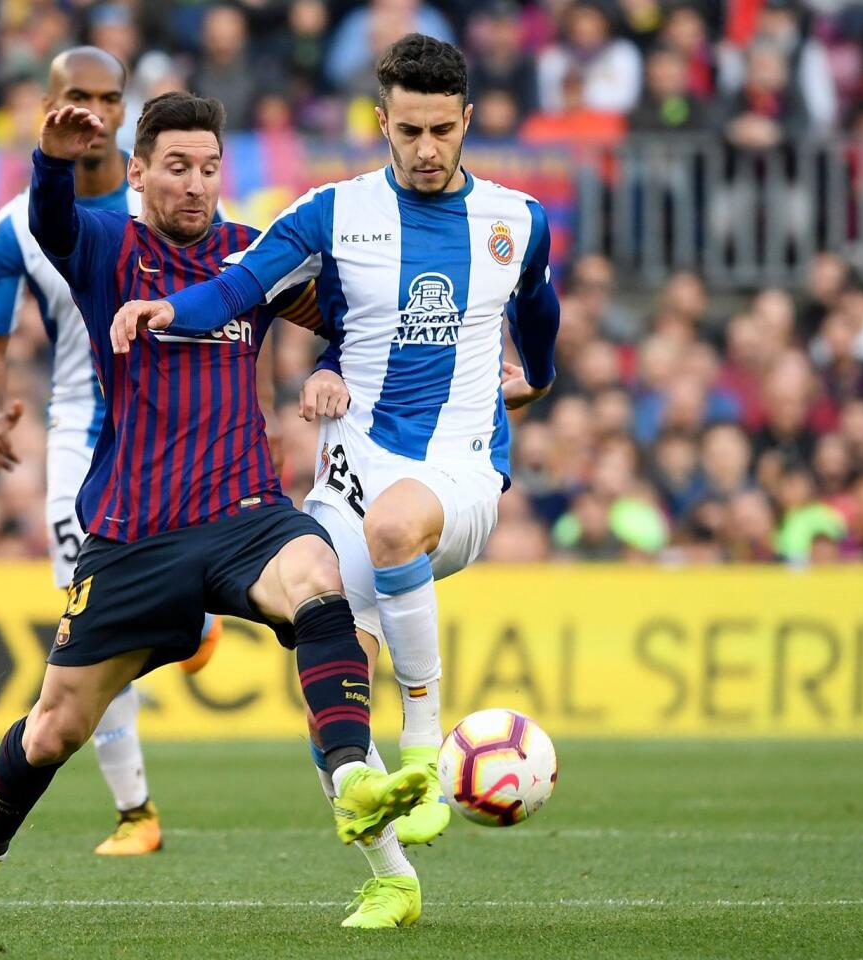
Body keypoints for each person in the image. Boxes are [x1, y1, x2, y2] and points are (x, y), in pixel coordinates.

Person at [0, 89, 430, 929]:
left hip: (244, 514)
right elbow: (52, 224)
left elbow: (348, 316)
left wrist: (330, 360)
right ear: (140, 172)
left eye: (210, 168)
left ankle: (360, 802)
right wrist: (51, 159)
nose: (196, 184)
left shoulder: (249, 256)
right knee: (53, 731)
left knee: (318, 576)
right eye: (178, 168)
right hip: (132, 535)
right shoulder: (108, 246)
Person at [111, 34, 560, 925]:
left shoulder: (516, 219)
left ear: (467, 121)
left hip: (459, 472)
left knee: (397, 527)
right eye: (408, 131)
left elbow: (538, 305)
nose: (426, 150)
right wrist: (174, 309)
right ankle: (392, 878)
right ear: (380, 122)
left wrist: (537, 375)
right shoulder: (329, 213)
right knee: (333, 682)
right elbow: (239, 288)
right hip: (349, 479)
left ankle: (426, 752)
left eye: (442, 131)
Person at [0, 48, 224, 858]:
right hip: (81, 433)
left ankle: (193, 615)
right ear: (47, 103)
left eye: (111, 98)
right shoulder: (20, 223)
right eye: (80, 96)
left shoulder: (173, 196)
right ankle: (135, 812)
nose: (97, 113)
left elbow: (241, 301)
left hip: (176, 429)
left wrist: (271, 408)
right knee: (85, 625)